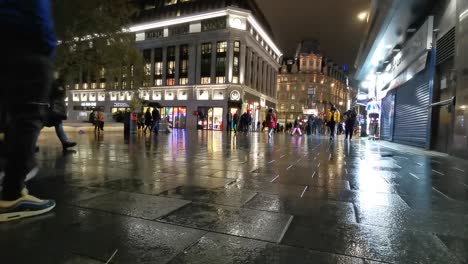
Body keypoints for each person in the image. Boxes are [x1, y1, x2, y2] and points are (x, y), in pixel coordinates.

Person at [0, 0, 57, 221]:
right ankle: (12, 194)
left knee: (9, 114)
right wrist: (48, 49)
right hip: (27, 46)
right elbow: (38, 14)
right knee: (29, 116)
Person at [45, 73, 77, 150]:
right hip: (49, 108)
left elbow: (61, 95)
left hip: (53, 109)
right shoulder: (52, 83)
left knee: (58, 124)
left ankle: (64, 142)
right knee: (38, 124)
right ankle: (30, 143)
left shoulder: (58, 84)